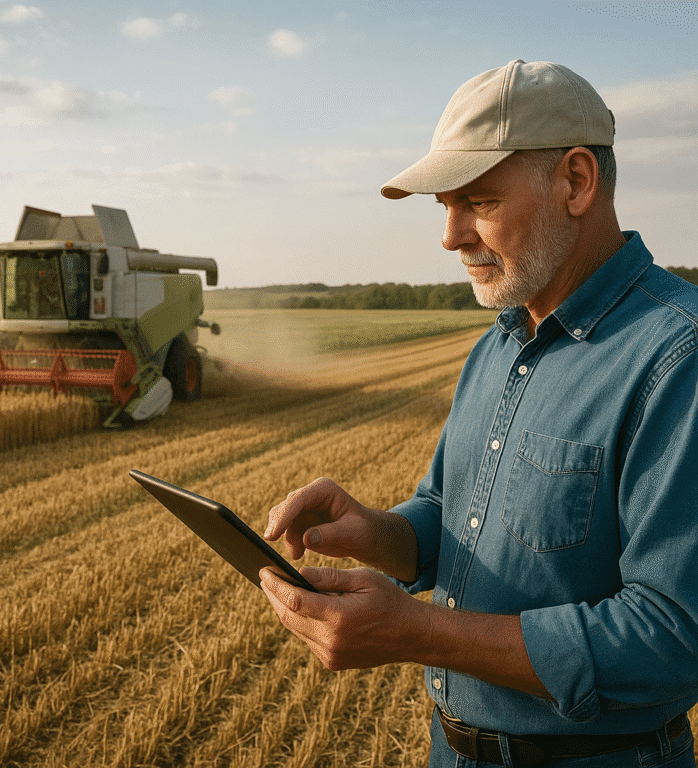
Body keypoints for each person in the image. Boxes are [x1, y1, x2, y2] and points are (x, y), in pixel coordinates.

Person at [260, 59, 698, 767]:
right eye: (445, 206)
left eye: (480, 202)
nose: (450, 235)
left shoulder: (678, 357)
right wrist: (378, 532)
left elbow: (676, 638)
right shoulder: (498, 345)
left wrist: (418, 632)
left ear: (577, 182)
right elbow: (450, 512)